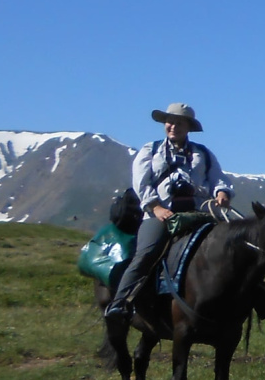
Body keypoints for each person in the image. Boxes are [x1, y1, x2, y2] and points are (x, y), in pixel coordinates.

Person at [105, 102, 248, 317]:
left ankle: (264, 303)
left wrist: (222, 192)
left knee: (236, 248)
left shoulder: (203, 154)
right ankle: (120, 303)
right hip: (161, 214)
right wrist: (156, 207)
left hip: (201, 213)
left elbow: (218, 177)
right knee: (146, 253)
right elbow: (141, 183)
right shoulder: (150, 151)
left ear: (188, 127)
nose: (173, 126)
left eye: (179, 123)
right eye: (170, 122)